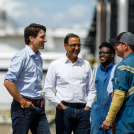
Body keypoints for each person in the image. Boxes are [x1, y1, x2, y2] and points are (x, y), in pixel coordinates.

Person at [43, 33, 96, 134]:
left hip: (83, 111)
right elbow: (47, 90)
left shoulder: (86, 65)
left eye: (79, 45)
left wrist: (88, 107)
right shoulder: (55, 65)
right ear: (65, 46)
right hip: (64, 110)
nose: (76, 48)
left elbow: (92, 89)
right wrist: (59, 105)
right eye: (73, 45)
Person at [4, 23, 50, 134]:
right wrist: (22, 101)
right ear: (31, 38)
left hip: (39, 108)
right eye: (42, 37)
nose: (45, 40)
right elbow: (8, 82)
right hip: (23, 109)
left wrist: (40, 97)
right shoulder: (22, 56)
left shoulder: (39, 58)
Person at [102, 32, 134, 133]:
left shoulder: (122, 66)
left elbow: (119, 95)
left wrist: (109, 119)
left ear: (125, 46)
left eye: (117, 45)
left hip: (128, 117)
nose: (114, 48)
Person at [90, 42, 115, 134]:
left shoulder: (116, 70)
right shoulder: (93, 72)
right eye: (100, 53)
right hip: (96, 115)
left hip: (112, 115)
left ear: (112, 55)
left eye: (105, 52)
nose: (102, 54)